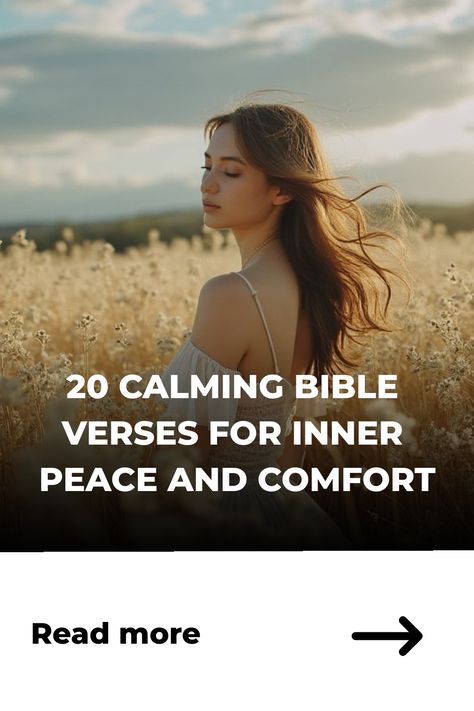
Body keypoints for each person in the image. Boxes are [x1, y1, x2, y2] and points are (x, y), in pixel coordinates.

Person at [158, 101, 405, 549]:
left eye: (231, 172)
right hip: (286, 515)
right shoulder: (313, 285)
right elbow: (290, 454)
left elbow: (180, 466)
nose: (207, 183)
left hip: (222, 524)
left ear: (283, 190)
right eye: (207, 165)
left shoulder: (232, 293)